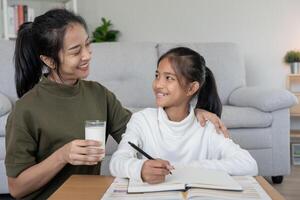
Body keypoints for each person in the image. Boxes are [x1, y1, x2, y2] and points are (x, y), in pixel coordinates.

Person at [5, 9, 227, 199]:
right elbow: (16, 188)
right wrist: (62, 156)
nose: (87, 55)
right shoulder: (27, 109)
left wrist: (191, 109)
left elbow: (144, 135)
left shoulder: (98, 94)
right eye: (75, 51)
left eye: (87, 45)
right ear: (48, 60)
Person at [110, 47, 258, 184]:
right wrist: (140, 168)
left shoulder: (206, 125)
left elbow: (249, 164)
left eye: (169, 78)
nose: (157, 84)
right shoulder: (142, 120)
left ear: (192, 88)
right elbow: (117, 162)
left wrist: (184, 168)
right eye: (157, 75)